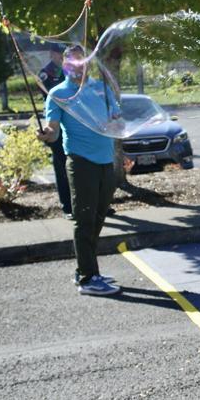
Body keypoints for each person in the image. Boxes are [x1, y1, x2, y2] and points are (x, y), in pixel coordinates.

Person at [36, 45, 121, 296]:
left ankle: (85, 268)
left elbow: (115, 120)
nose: (77, 68)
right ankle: (88, 278)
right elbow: (53, 132)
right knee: (83, 219)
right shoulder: (58, 93)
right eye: (72, 64)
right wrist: (46, 135)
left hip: (106, 162)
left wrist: (118, 126)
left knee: (97, 218)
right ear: (65, 66)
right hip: (81, 161)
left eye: (81, 63)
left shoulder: (100, 88)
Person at [38, 43, 72, 219]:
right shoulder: (47, 73)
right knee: (61, 166)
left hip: (74, 123)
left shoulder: (71, 71)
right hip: (56, 122)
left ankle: (89, 204)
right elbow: (51, 96)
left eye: (64, 54)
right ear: (52, 54)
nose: (62, 56)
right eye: (60, 54)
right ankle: (67, 206)